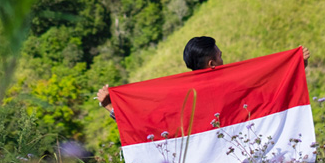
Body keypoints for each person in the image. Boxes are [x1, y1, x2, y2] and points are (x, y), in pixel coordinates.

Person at [95, 36, 311, 116]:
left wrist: (109, 107)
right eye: (220, 57)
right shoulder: (233, 88)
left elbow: (148, 121)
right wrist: (296, 68)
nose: (223, 61)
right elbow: (271, 99)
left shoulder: (178, 94)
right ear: (212, 63)